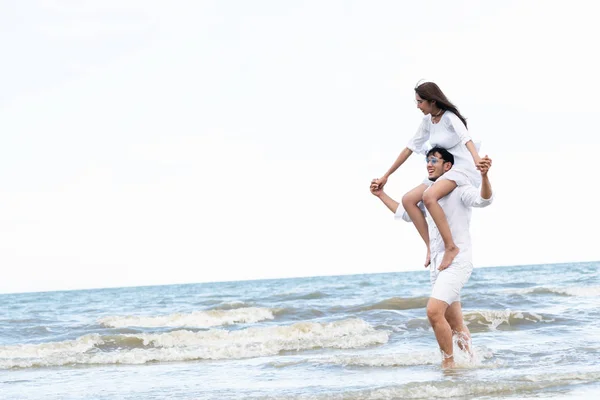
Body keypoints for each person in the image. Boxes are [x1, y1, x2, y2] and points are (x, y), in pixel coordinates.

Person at [370, 146, 493, 368]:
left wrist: (484, 176)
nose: (429, 164)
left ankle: (449, 365)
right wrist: (381, 195)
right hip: (438, 264)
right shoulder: (430, 196)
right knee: (455, 321)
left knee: (434, 311)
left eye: (434, 160)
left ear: (448, 166)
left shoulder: (460, 189)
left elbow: (484, 200)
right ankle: (473, 363)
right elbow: (406, 214)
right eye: (428, 160)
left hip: (458, 261)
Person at [374, 82, 482, 272]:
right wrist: (386, 175)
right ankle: (431, 247)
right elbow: (409, 148)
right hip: (441, 171)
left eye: (420, 102)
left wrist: (478, 163)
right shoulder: (427, 122)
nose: (418, 106)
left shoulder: (449, 118)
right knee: (408, 199)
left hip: (461, 169)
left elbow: (467, 139)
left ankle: (450, 247)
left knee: (429, 196)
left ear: (432, 101)